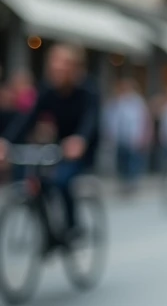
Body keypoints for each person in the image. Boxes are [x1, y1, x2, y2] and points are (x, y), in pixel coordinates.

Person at [0, 44, 99, 240]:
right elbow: (27, 119)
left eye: (63, 65)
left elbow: (91, 120)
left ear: (73, 67)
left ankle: (72, 225)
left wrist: (81, 139)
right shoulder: (48, 90)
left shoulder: (88, 90)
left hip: (82, 149)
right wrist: (6, 141)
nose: (57, 70)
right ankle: (49, 232)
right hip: (58, 147)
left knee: (62, 181)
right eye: (54, 65)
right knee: (40, 181)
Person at [105, 78, 151, 195]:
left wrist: (144, 136)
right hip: (120, 137)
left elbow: (144, 120)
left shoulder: (138, 102)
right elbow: (110, 119)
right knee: (122, 161)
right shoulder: (117, 101)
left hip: (134, 136)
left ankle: (132, 182)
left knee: (133, 160)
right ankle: (123, 182)